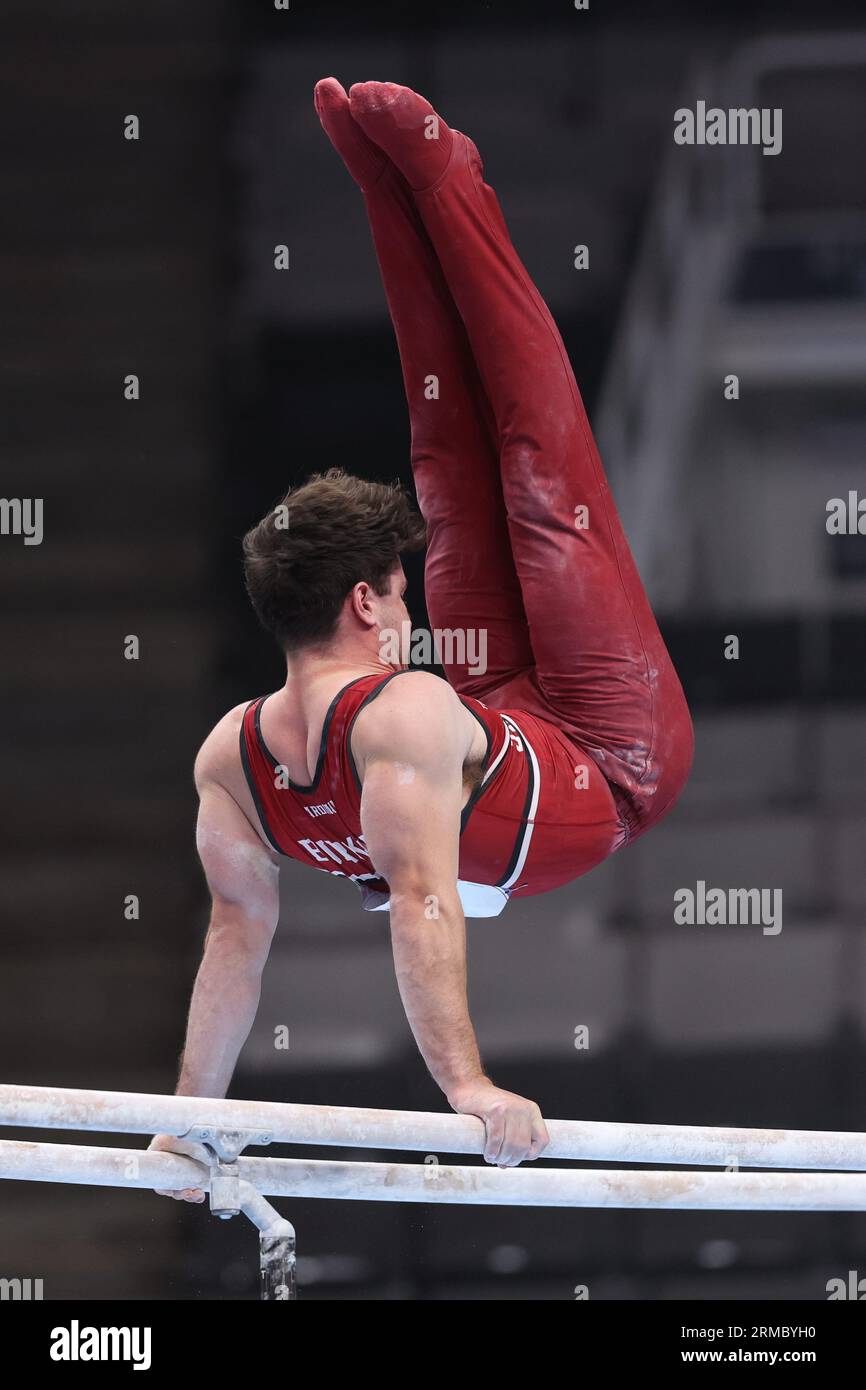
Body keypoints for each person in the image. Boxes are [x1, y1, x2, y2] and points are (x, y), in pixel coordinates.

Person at [152, 80, 693, 1200]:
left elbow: (292, 930)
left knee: (452, 459)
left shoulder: (236, 755)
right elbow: (291, 930)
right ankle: (441, 175)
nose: (409, 609)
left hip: (499, 710)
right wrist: (186, 1123)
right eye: (397, 593)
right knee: (538, 469)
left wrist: (460, 1090)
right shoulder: (331, 733)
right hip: (612, 753)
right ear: (364, 603)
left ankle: (397, 187)